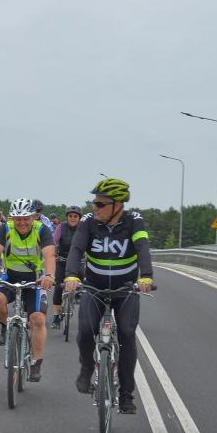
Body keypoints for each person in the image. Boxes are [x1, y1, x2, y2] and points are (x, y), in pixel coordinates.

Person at [63, 177, 153, 414]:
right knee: (85, 330)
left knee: (126, 334)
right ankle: (86, 368)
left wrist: (146, 276)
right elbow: (76, 249)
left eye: (100, 204)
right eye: (94, 203)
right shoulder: (88, 222)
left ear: (118, 205)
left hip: (125, 289)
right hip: (94, 286)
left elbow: (142, 248)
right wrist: (71, 275)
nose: (95, 208)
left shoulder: (134, 222)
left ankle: (126, 395)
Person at [0, 198, 56, 382]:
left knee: (37, 319)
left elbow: (49, 254)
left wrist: (49, 275)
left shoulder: (42, 230)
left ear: (33, 217)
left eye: (26, 218)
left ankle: (36, 362)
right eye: (17, 219)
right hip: (10, 277)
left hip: (35, 279)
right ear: (12, 218)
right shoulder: (5, 229)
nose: (22, 223)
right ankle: (5, 326)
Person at [50, 205, 83, 329]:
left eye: (75, 216)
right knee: (58, 287)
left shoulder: (83, 228)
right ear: (67, 217)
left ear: (79, 218)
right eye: (70, 216)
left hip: (78, 261)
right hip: (62, 260)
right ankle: (56, 317)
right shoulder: (61, 227)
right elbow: (54, 242)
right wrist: (53, 253)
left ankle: (78, 292)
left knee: (83, 275)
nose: (73, 218)